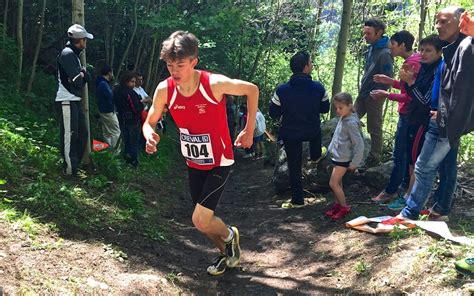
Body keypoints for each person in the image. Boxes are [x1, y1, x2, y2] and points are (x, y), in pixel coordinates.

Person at [142, 31, 259, 276]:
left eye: (180, 65)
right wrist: (148, 134)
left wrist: (249, 131)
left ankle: (229, 235)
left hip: (220, 160)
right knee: (202, 221)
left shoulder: (212, 84)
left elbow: (252, 89)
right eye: (169, 64)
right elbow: (149, 120)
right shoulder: (165, 89)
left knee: (200, 219)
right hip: (194, 161)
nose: (174, 70)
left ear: (194, 61)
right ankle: (224, 254)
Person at [398, 6, 473, 221]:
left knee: (424, 166)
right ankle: (441, 209)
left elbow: (462, 92)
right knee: (445, 167)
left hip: (445, 121)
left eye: (444, 22)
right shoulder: (453, 48)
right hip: (443, 119)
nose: (438, 26)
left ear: (461, 22)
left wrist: (447, 120)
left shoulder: (466, 47)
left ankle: (410, 212)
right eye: (437, 22)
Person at [269, 50, 330, 209]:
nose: (312, 65)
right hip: (311, 130)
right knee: (316, 133)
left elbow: (273, 112)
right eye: (310, 63)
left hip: (290, 133)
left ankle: (298, 200)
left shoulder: (282, 90)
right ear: (305, 67)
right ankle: (316, 155)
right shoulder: (318, 87)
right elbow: (325, 108)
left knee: (294, 166)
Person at [370, 30, 421, 208]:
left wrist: (386, 94)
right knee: (406, 156)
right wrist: (390, 81)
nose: (390, 47)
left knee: (401, 155)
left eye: (392, 44)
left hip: (408, 114)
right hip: (409, 114)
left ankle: (392, 191)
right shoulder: (414, 60)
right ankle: (401, 190)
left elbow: (410, 96)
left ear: (402, 45)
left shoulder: (411, 63)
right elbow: (407, 87)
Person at [395, 34, 444, 210]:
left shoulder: (439, 70)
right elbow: (411, 94)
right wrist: (406, 81)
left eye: (428, 51)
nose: (423, 54)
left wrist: (411, 82)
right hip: (413, 117)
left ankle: (411, 198)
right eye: (421, 49)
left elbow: (425, 100)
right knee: (411, 158)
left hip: (425, 121)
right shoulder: (423, 67)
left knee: (417, 161)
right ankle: (409, 194)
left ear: (439, 52)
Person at [54, 24, 93, 176]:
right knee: (70, 135)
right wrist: (82, 74)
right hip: (66, 100)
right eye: (85, 39)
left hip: (74, 100)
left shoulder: (74, 55)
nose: (86, 42)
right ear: (80, 40)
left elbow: (85, 78)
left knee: (82, 133)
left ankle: (73, 167)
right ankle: (69, 170)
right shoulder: (68, 54)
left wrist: (82, 74)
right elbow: (78, 81)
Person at [355, 18, 394, 166]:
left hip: (374, 96)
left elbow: (388, 78)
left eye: (369, 33)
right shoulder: (371, 47)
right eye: (364, 32)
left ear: (379, 33)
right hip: (363, 93)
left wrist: (379, 94)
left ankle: (374, 158)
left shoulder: (385, 54)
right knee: (350, 118)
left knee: (374, 127)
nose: (365, 36)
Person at [325, 93, 364, 220]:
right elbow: (338, 137)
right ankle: (337, 205)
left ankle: (344, 207)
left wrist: (355, 163)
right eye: (336, 108)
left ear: (350, 106)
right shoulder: (344, 117)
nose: (337, 110)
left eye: (340, 108)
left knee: (333, 183)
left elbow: (359, 144)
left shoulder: (351, 123)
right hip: (337, 156)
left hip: (343, 159)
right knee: (338, 183)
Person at [114, 71, 144, 167]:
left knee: (127, 140)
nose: (134, 84)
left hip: (122, 118)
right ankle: (133, 161)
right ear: (126, 81)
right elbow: (136, 107)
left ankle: (127, 159)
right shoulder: (129, 93)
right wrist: (141, 104)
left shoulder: (116, 90)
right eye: (132, 82)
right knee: (133, 141)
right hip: (132, 120)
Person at [95, 65, 121, 150]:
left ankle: (108, 150)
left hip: (102, 110)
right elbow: (110, 96)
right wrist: (114, 90)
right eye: (112, 72)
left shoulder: (101, 82)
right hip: (108, 110)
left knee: (107, 132)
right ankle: (115, 151)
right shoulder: (103, 84)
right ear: (109, 73)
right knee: (116, 131)